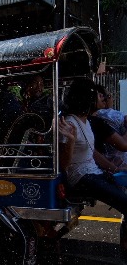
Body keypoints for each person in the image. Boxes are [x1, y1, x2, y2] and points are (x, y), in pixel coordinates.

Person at [59, 78, 127, 259]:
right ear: (85, 98)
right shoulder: (69, 123)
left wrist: (114, 168)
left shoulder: (86, 121)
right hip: (81, 177)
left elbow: (93, 153)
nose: (102, 97)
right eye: (96, 94)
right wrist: (71, 142)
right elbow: (64, 165)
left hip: (94, 173)